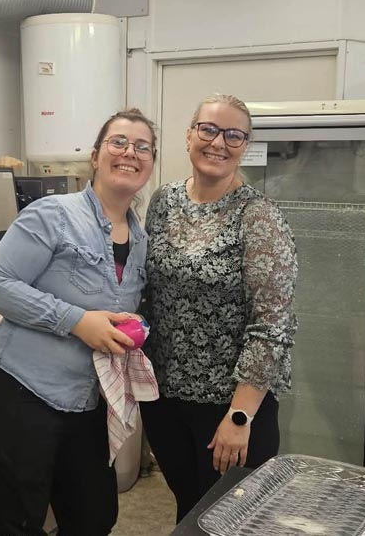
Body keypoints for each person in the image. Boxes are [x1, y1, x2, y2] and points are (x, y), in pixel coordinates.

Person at [0, 109, 157, 536]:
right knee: (18, 522)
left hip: (84, 398)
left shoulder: (141, 239)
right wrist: (77, 321)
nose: (130, 152)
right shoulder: (53, 213)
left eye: (142, 147)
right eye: (118, 142)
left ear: (150, 164)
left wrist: (131, 325)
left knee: (94, 517)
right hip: (21, 390)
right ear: (95, 156)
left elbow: (115, 305)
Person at [140, 94, 298, 522]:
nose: (218, 143)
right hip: (164, 400)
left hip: (229, 407)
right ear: (189, 134)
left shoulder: (259, 217)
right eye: (208, 129)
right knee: (189, 510)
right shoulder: (164, 201)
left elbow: (273, 325)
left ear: (245, 145)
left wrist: (240, 415)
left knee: (230, 521)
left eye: (233, 135)